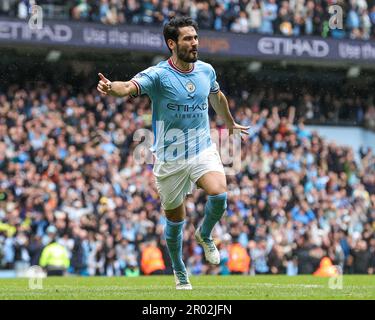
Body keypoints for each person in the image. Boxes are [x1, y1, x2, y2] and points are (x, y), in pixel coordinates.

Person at [97, 16, 249, 289]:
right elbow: (129, 87)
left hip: (201, 148)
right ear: (172, 43)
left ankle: (204, 234)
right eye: (187, 39)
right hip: (170, 159)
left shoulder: (206, 70)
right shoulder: (158, 75)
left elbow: (217, 96)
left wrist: (229, 122)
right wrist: (112, 88)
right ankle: (180, 270)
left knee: (220, 193)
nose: (194, 43)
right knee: (175, 221)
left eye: (195, 37)